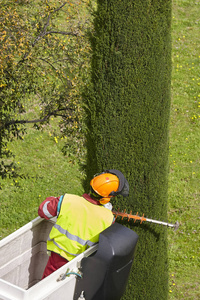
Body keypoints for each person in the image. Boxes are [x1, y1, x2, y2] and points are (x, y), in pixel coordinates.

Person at [38, 169, 129, 279]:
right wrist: (106, 212)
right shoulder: (108, 218)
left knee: (45, 287)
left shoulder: (67, 200)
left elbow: (43, 210)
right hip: (81, 266)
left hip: (56, 258)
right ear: (107, 198)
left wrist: (52, 199)